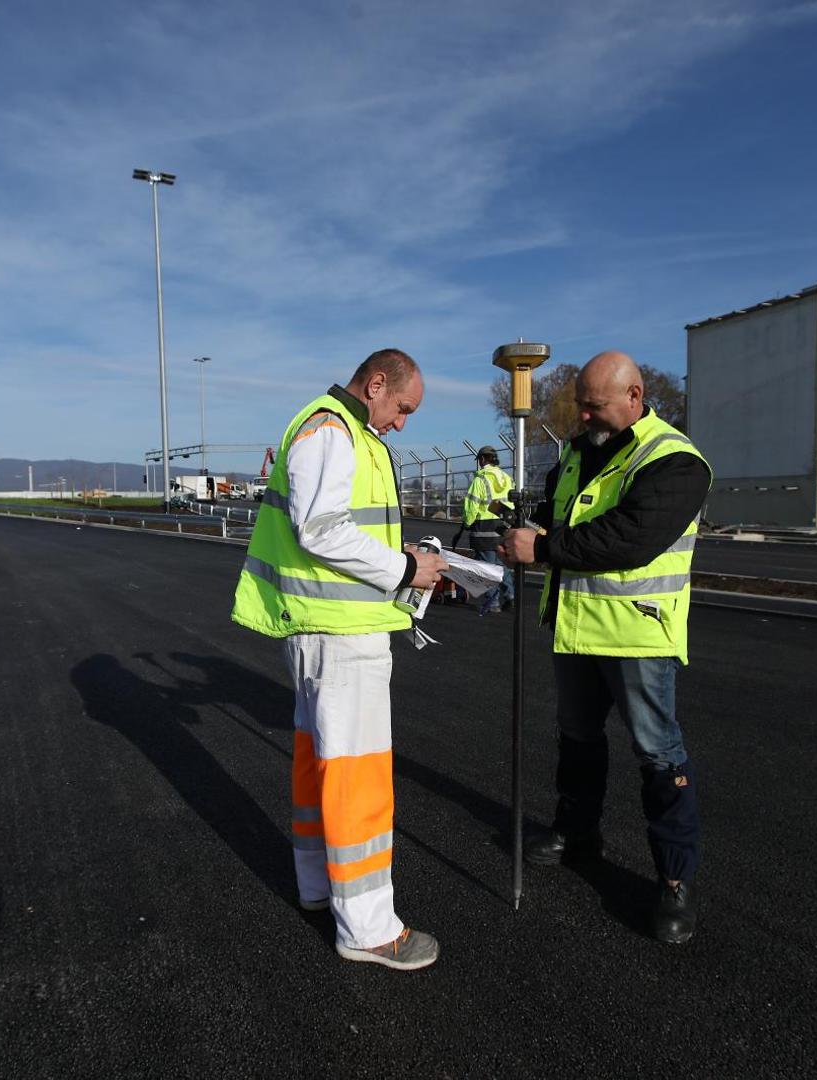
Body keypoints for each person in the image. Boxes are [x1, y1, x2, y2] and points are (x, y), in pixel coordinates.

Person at [231, 348, 447, 971]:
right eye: (403, 408)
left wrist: (400, 556)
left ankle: (319, 886)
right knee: (358, 780)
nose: (402, 423)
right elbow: (321, 529)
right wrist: (405, 567)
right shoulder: (332, 430)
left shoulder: (336, 429)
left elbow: (334, 528)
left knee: (319, 767)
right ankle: (369, 929)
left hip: (326, 631)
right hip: (341, 636)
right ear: (376, 384)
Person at [499, 351, 712, 945]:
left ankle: (674, 881)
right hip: (575, 626)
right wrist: (528, 528)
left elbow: (631, 538)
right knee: (577, 738)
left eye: (595, 405)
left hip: (636, 634)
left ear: (635, 396)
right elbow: (559, 516)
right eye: (581, 404)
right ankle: (577, 832)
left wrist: (543, 549)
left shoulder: (674, 460)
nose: (584, 415)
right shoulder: (576, 453)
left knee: (658, 754)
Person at [462, 446, 515, 614]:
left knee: (487, 567)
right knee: (500, 564)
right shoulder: (507, 478)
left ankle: (493, 603)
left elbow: (472, 505)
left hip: (484, 528)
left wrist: (467, 522)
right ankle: (510, 595)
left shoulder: (480, 480)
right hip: (503, 526)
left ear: (483, 459)